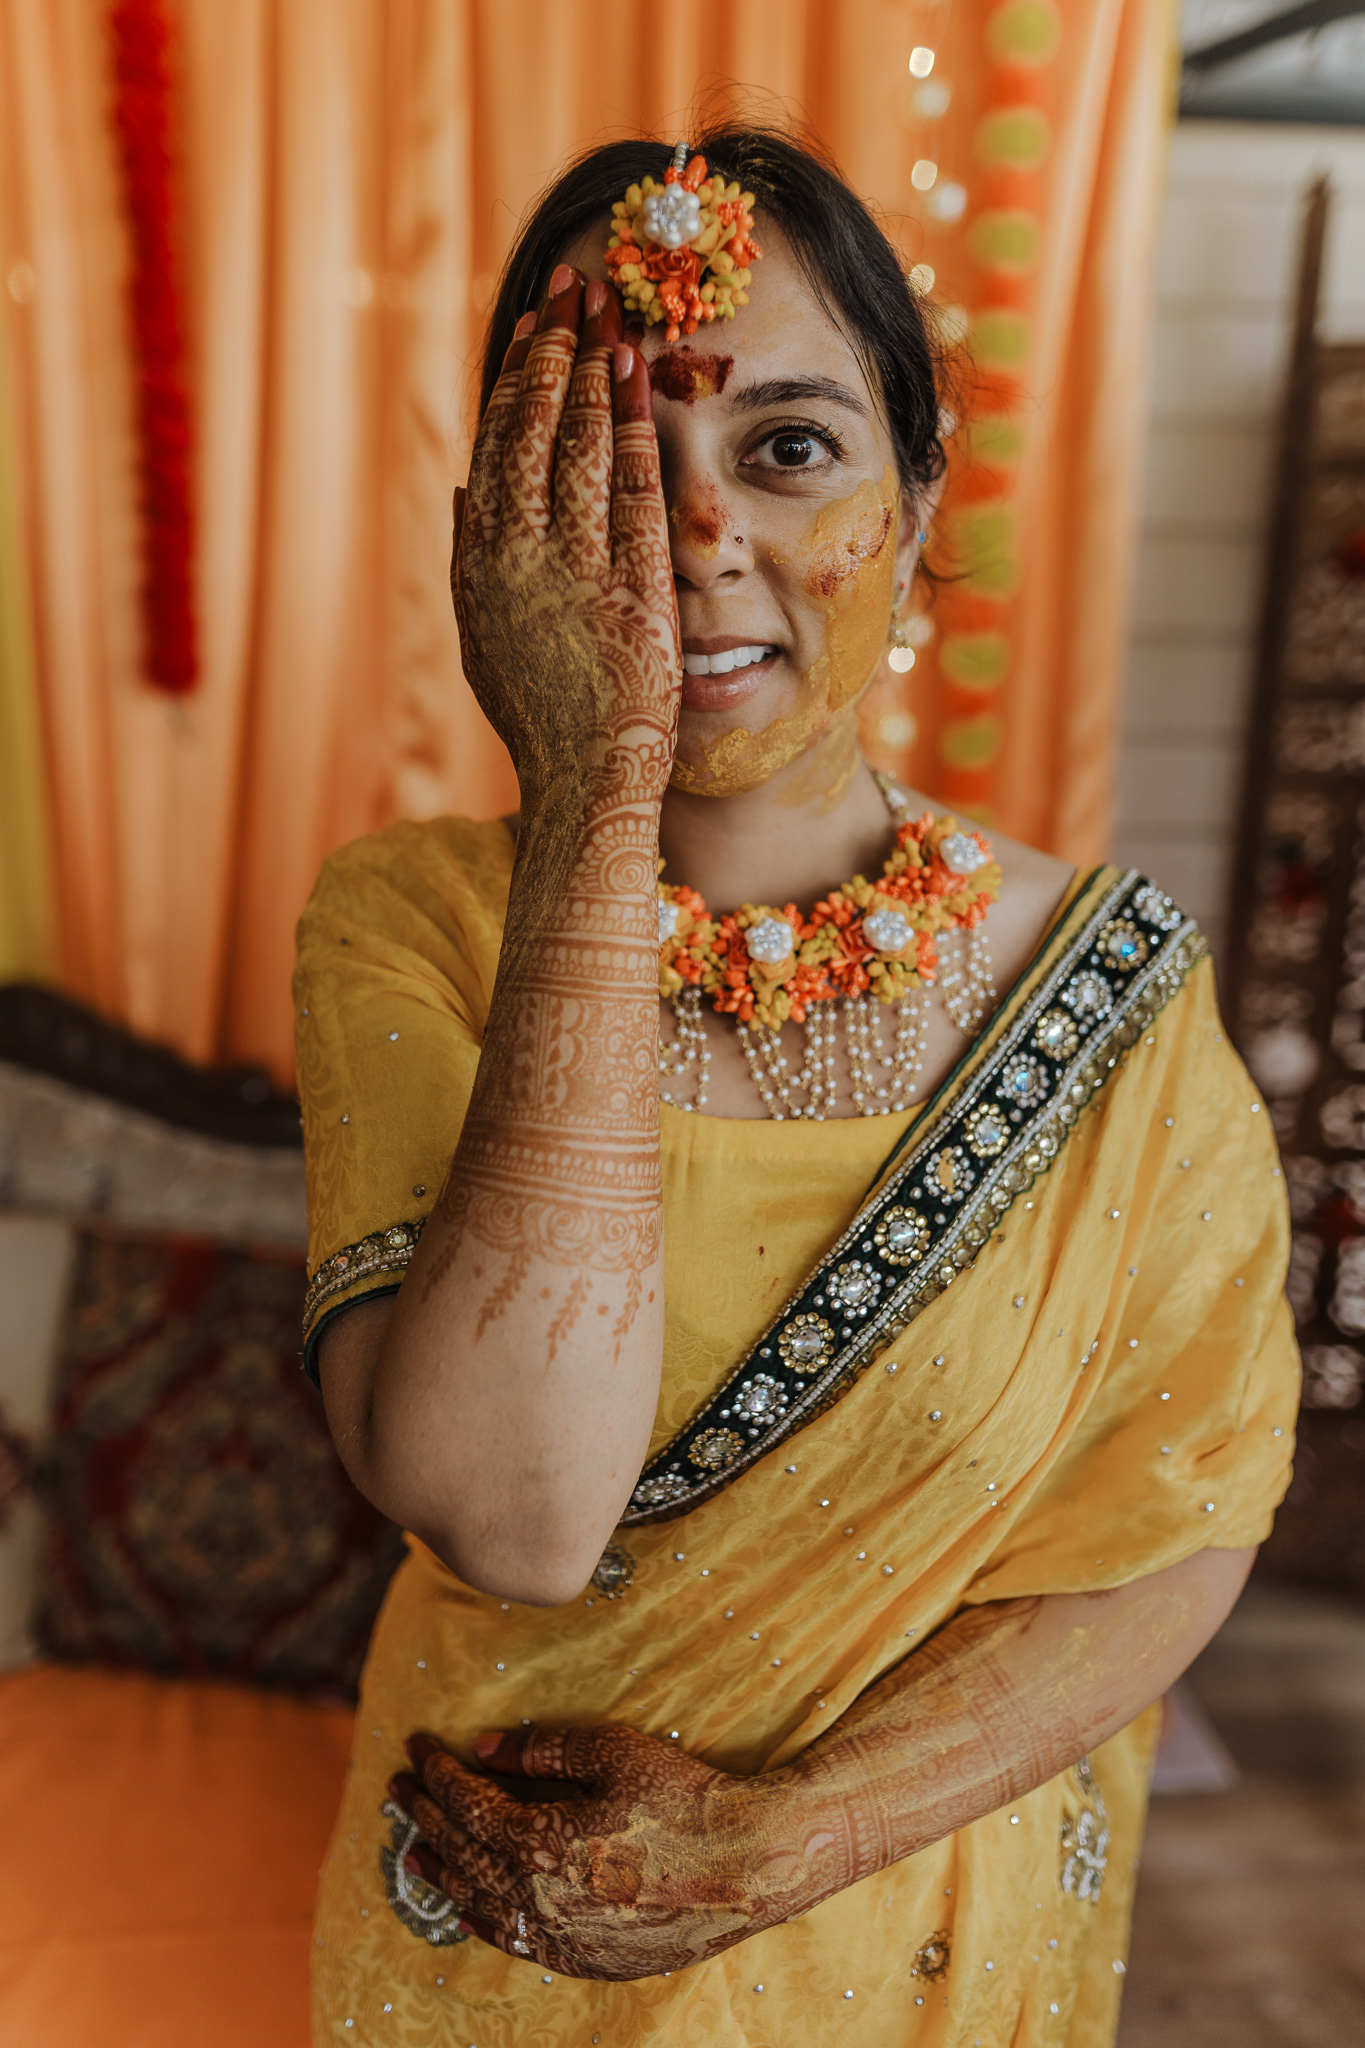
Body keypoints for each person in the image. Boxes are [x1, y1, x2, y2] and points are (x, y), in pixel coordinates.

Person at [295, 127, 1298, 2048]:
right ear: (501, 528)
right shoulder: (414, 926)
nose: (691, 537)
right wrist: (593, 794)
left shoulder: (1111, 997)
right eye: (609, 460)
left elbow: (1174, 1530)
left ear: (918, 496)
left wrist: (787, 1839)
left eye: (785, 446)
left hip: (923, 1954)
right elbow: (516, 1517)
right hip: (502, 1967)